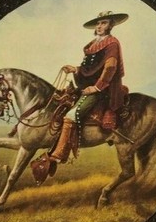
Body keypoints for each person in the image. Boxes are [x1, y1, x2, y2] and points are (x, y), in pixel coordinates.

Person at [49, 10, 129, 164]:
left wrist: (96, 88)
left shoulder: (112, 43)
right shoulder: (93, 44)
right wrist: (75, 69)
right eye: (98, 23)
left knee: (71, 115)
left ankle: (59, 154)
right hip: (90, 85)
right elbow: (92, 68)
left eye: (104, 23)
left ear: (110, 25)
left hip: (104, 89)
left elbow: (110, 68)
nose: (99, 26)